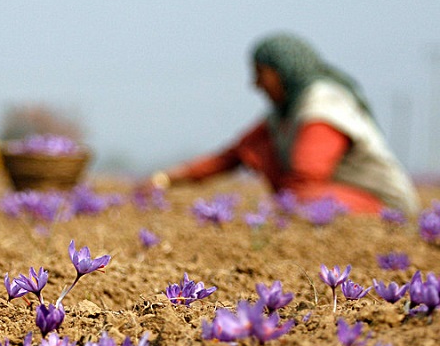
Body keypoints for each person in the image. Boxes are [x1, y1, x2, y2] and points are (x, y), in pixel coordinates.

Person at [140, 32, 419, 215]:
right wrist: (164, 179)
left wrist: (262, 210)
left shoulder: (322, 107)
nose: (256, 84)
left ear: (284, 72)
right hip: (333, 199)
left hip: (382, 207)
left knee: (296, 201)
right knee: (289, 195)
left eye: (262, 74)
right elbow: (231, 156)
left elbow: (307, 176)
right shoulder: (284, 113)